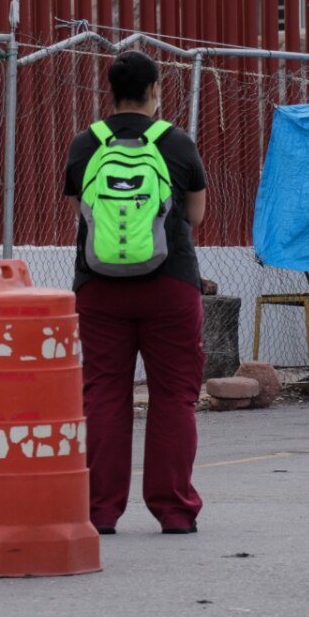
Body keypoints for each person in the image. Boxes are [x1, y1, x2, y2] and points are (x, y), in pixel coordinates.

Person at [63, 51, 207, 535]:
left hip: (99, 287)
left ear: (111, 91)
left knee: (104, 392)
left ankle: (100, 511)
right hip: (170, 284)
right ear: (156, 90)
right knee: (174, 396)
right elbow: (196, 216)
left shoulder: (86, 143)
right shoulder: (177, 142)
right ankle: (174, 510)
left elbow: (83, 214)